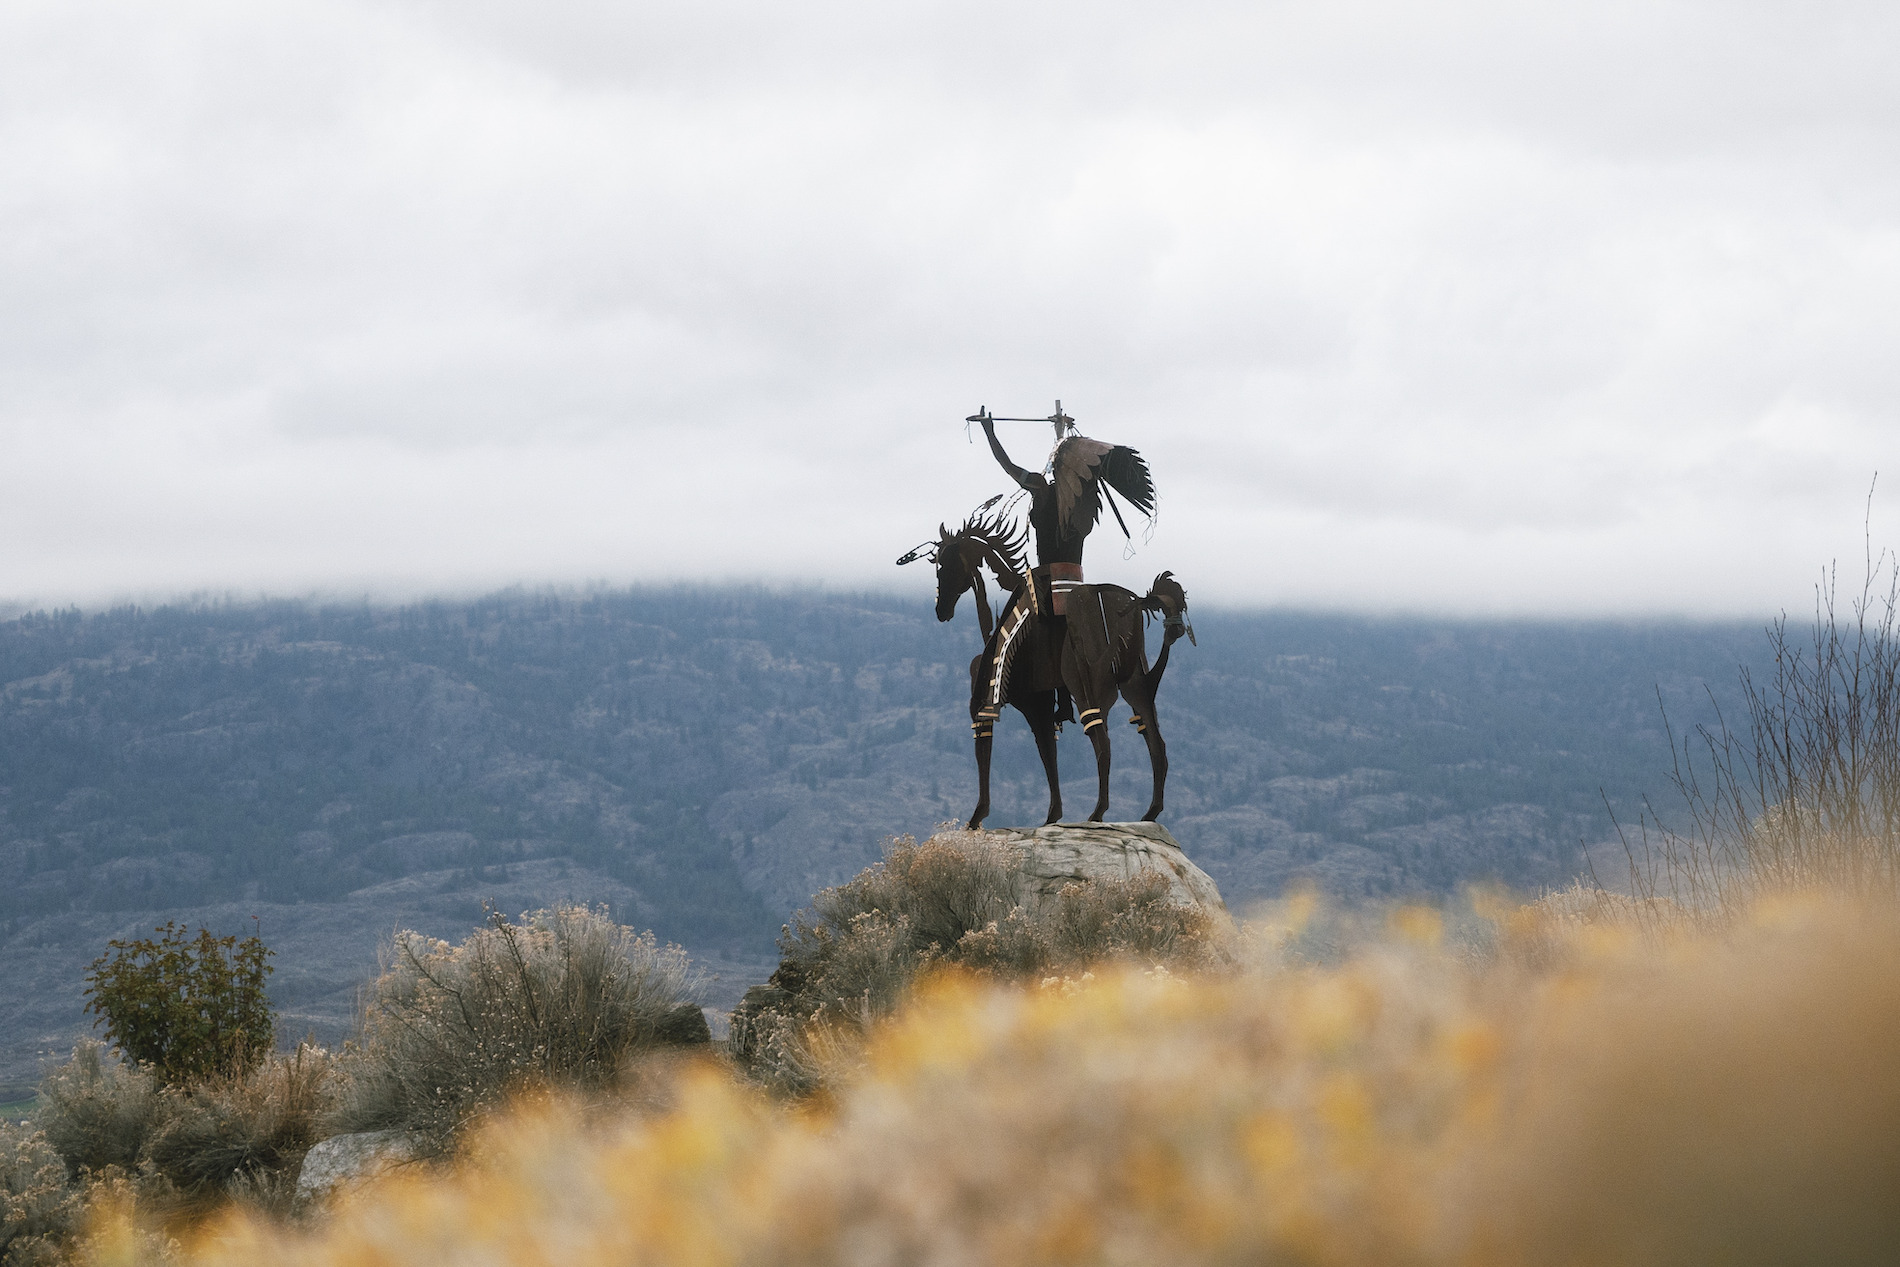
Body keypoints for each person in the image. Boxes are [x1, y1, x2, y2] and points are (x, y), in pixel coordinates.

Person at [971, 407, 1155, 725]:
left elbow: (1009, 467)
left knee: (1004, 633)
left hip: (1044, 581)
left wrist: (990, 433)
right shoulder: (1084, 498)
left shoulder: (1041, 490)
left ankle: (992, 697)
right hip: (1076, 583)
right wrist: (1059, 435)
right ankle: (1123, 700)